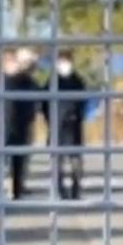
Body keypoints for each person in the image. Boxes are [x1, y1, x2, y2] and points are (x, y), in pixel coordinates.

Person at [0, 48, 41, 200]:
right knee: (0, 160)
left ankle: (17, 190)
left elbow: (36, 99)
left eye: (14, 61)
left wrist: (30, 117)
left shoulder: (26, 81)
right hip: (2, 127)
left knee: (19, 161)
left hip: (21, 127)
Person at [46, 50, 89, 200]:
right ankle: (61, 191)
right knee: (57, 163)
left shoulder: (78, 80)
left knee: (76, 162)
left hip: (74, 126)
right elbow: (44, 104)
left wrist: (79, 116)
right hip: (57, 126)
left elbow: (84, 102)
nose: (65, 65)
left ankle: (76, 191)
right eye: (62, 61)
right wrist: (51, 119)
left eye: (67, 61)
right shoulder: (52, 81)